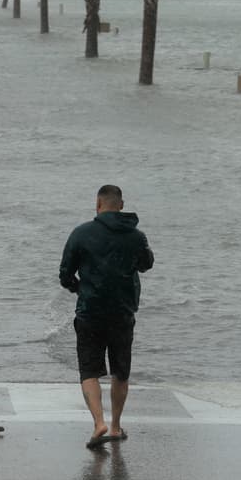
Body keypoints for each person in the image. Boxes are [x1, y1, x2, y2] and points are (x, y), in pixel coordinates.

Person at [59, 184, 154, 449]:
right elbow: (146, 264)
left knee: (89, 369)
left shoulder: (80, 234)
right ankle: (115, 425)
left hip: (90, 311)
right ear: (121, 205)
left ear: (98, 205)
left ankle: (98, 422)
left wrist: (81, 289)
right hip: (122, 313)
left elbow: (65, 274)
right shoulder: (136, 236)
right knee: (121, 372)